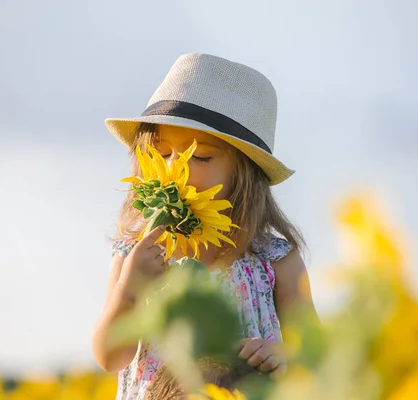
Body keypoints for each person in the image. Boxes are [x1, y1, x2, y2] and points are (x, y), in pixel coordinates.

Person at [91, 53, 319, 400]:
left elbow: (318, 357)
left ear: (243, 174)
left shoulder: (274, 262)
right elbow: (110, 357)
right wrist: (131, 287)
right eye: (161, 152)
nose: (175, 166)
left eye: (199, 157)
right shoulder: (133, 256)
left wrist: (285, 356)